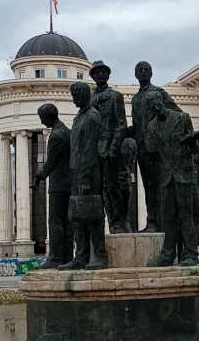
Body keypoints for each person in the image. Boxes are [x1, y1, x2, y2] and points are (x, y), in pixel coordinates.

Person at [145, 93, 199, 266]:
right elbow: (152, 150)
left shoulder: (182, 118)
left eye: (156, 104)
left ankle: (190, 253)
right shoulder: (151, 126)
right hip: (166, 176)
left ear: (161, 101)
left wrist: (190, 142)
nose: (155, 108)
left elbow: (195, 150)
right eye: (151, 107)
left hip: (184, 175)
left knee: (186, 215)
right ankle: (168, 254)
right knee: (168, 216)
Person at [59, 82, 108, 271]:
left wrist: (86, 178)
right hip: (77, 172)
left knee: (93, 216)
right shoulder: (79, 117)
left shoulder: (92, 117)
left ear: (83, 95)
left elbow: (90, 150)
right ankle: (81, 257)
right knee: (77, 218)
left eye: (75, 95)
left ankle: (100, 257)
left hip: (88, 174)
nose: (73, 99)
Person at [130, 61, 181, 232]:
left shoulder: (158, 93)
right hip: (142, 149)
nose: (144, 72)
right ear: (136, 75)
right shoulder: (136, 99)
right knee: (148, 187)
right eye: (140, 70)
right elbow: (137, 125)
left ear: (151, 74)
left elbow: (177, 114)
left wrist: (163, 132)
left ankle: (163, 222)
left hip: (158, 150)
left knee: (161, 187)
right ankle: (152, 221)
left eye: (147, 70)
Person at [89, 60, 128, 233]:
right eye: (97, 72)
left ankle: (118, 221)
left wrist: (113, 148)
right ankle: (108, 221)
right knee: (99, 188)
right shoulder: (89, 100)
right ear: (93, 76)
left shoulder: (115, 96)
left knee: (114, 187)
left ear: (108, 74)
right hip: (94, 149)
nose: (101, 75)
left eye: (104, 72)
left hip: (110, 147)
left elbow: (121, 124)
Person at [32, 103, 73, 269]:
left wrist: (39, 176)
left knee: (55, 221)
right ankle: (68, 256)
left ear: (49, 117)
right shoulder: (67, 132)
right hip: (69, 183)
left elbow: (51, 162)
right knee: (66, 223)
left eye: (43, 119)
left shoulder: (57, 135)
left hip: (59, 185)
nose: (42, 123)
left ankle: (56, 257)